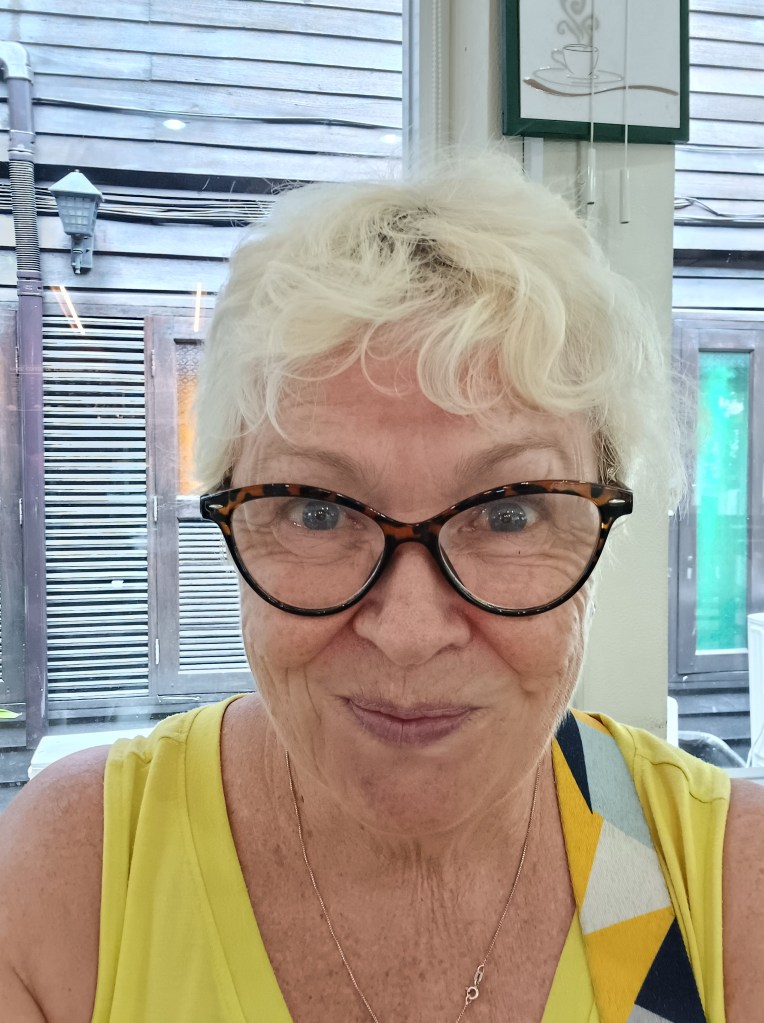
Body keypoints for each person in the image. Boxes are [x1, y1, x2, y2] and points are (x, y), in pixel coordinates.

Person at [1, 150, 762, 1023]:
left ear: (601, 522)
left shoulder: (727, 886)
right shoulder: (77, 880)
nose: (408, 633)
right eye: (318, 511)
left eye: (508, 512)